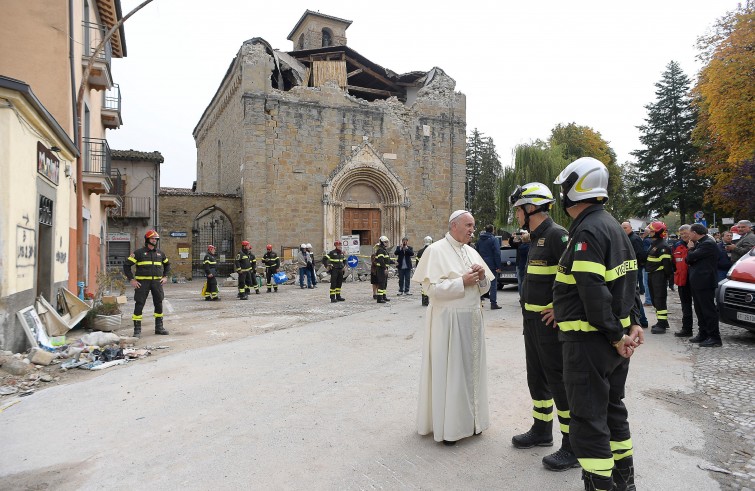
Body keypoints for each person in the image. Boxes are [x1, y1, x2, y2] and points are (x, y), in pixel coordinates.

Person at [552, 157, 644, 491]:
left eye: (564, 187)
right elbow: (628, 282)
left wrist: (618, 334)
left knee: (588, 421)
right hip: (611, 344)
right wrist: (632, 324)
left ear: (575, 190)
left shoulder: (588, 231)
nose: (562, 194)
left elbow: (593, 292)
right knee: (613, 412)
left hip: (590, 343)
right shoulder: (613, 227)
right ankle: (625, 483)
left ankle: (599, 486)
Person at [509, 182, 577, 471]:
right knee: (536, 377)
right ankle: (541, 430)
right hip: (532, 321)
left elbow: (575, 275)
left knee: (558, 382)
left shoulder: (557, 235)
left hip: (550, 326)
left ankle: (572, 446)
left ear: (531, 207)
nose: (516, 216)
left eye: (518, 210)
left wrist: (560, 309)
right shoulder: (536, 237)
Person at [413, 210, 494, 445]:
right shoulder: (435, 250)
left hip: (472, 320)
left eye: (473, 226)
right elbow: (432, 291)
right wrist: (461, 282)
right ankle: (450, 429)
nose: (472, 230)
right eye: (468, 225)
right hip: (448, 322)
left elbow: (485, 288)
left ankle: (473, 422)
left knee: (472, 373)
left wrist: (480, 279)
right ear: (454, 226)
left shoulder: (472, 251)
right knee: (452, 373)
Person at [124, 230, 171, 337]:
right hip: (142, 283)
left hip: (157, 283)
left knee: (159, 303)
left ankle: (159, 327)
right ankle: (137, 330)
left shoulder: (160, 253)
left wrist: (165, 276)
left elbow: (167, 264)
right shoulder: (138, 253)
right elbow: (126, 265)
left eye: (156, 239)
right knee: (139, 304)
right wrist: (132, 279)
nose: (155, 240)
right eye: (153, 238)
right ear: (147, 240)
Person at [686, 224, 723, 348]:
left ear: (695, 233)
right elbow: (689, 260)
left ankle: (714, 337)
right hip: (698, 281)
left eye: (690, 233)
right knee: (699, 309)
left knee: (708, 310)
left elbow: (691, 257)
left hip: (705, 281)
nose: (689, 236)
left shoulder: (707, 243)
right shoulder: (700, 243)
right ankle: (703, 333)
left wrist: (691, 249)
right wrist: (692, 253)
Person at [645, 221, 674, 334]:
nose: (650, 232)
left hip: (659, 275)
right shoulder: (655, 243)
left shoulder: (663, 246)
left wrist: (666, 278)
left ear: (658, 232)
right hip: (653, 274)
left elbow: (667, 265)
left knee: (659, 299)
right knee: (654, 299)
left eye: (652, 231)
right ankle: (662, 321)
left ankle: (662, 324)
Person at [621, 222, 649, 328]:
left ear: (630, 228)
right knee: (632, 295)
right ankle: (640, 319)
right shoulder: (627, 238)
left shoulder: (634, 239)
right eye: (622, 228)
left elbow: (639, 254)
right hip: (628, 270)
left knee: (633, 295)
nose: (623, 230)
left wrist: (636, 266)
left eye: (625, 228)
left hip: (632, 270)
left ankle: (642, 319)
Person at [672, 225, 694, 337]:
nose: (684, 236)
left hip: (695, 280)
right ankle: (687, 329)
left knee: (700, 307)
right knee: (685, 306)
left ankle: (704, 331)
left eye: (686, 233)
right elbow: (674, 262)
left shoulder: (697, 244)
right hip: (682, 280)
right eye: (681, 234)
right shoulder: (677, 245)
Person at [476, 225, 502, 310]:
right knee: (493, 284)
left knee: (481, 282)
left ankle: (480, 301)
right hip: (492, 264)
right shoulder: (494, 240)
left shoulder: (479, 240)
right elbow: (497, 253)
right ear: (492, 230)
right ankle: (493, 303)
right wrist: (498, 266)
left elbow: (477, 252)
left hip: (482, 264)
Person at [375, 235, 394, 304]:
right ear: (382, 242)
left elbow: (387, 260)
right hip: (381, 269)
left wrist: (394, 262)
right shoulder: (380, 250)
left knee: (384, 283)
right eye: (385, 242)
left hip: (384, 268)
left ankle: (383, 296)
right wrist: (385, 268)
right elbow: (381, 260)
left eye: (387, 242)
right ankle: (379, 298)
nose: (387, 243)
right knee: (381, 283)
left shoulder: (384, 250)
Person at [510, 230, 530, 295]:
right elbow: (511, 244)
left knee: (522, 282)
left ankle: (523, 297)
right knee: (520, 282)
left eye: (524, 234)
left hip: (521, 265)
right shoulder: (520, 244)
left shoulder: (521, 245)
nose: (522, 235)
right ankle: (522, 297)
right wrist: (512, 238)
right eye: (521, 233)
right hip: (520, 265)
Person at [416, 236, 433, 306]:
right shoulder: (433, 250)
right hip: (430, 271)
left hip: (422, 271)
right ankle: (430, 300)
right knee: (431, 285)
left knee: (423, 286)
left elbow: (417, 263)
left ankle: (424, 301)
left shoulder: (420, 252)